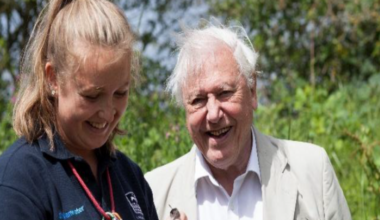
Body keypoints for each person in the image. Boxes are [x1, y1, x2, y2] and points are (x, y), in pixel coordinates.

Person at [145, 23, 352, 220]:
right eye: (198, 100)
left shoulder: (312, 170)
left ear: (252, 92)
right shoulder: (151, 192)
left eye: (224, 93)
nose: (213, 114)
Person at [0, 0, 158, 219]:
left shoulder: (129, 175)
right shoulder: (19, 178)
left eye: (120, 93)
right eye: (92, 96)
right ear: (53, 79)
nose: (107, 112)